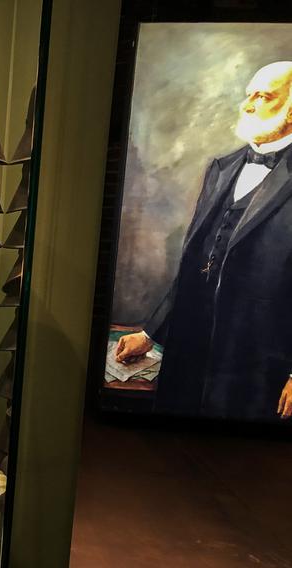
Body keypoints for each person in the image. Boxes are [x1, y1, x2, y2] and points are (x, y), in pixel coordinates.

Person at [116, 61, 292, 422]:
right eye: (248, 95)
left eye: (263, 96)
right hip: (188, 350)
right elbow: (194, 262)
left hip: (257, 365)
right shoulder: (222, 167)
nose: (247, 106)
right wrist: (151, 333)